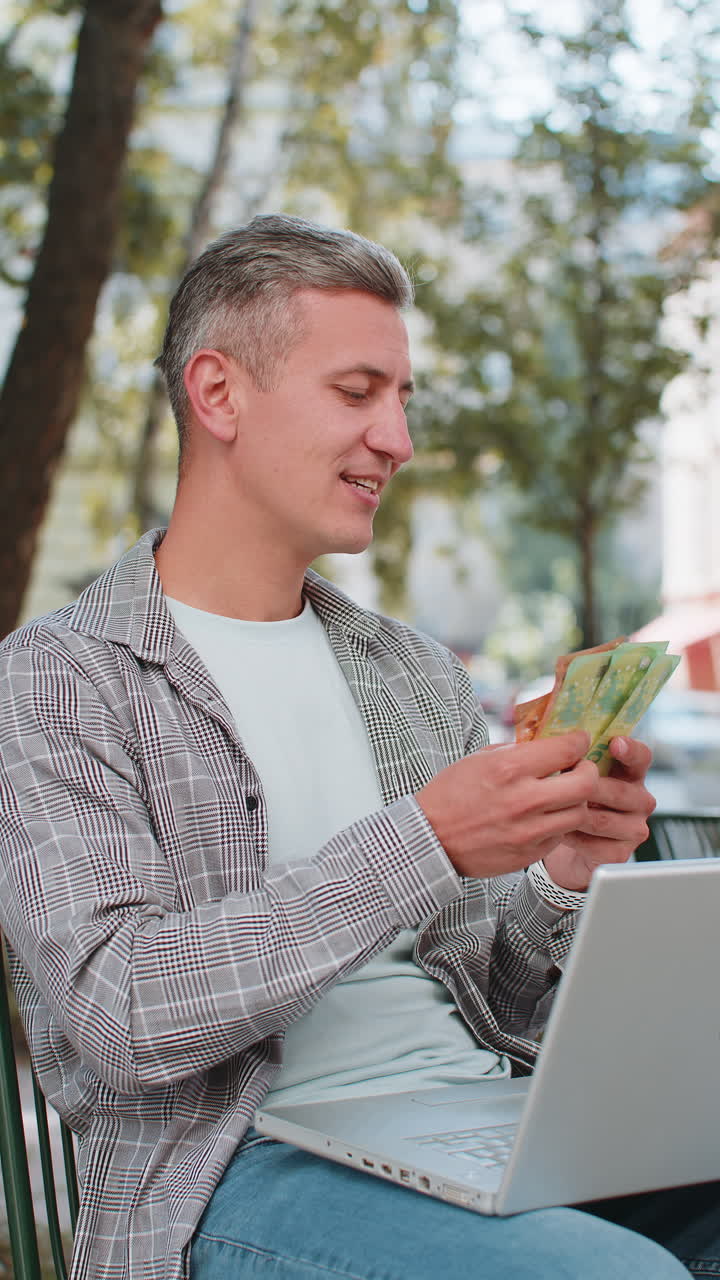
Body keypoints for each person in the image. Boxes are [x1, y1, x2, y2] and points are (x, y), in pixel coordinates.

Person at [0, 214, 712, 1280]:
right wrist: (423, 839)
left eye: (403, 398)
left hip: (470, 1122)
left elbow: (497, 1007)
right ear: (219, 393)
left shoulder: (411, 673)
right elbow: (125, 1009)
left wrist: (564, 878)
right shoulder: (62, 679)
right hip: (230, 1173)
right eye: (357, 391)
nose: (399, 440)